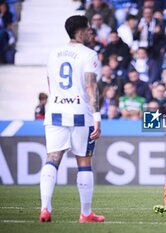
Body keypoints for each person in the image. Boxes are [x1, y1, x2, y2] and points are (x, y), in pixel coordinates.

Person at [40, 15, 104, 223]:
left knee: (52, 159)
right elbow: (91, 87)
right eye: (88, 29)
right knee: (84, 162)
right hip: (80, 114)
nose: (90, 32)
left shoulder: (53, 53)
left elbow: (50, 85)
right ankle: (86, 213)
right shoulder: (89, 54)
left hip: (55, 112)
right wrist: (97, 117)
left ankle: (45, 208)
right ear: (80, 32)